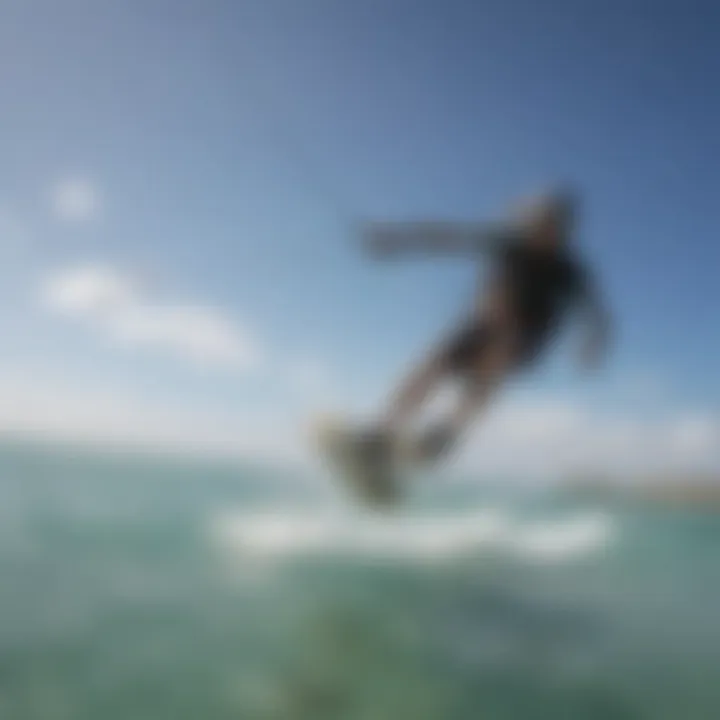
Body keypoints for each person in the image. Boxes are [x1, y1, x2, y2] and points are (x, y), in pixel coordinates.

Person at [357, 189, 612, 469]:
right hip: (481, 325)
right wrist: (395, 240)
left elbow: (596, 313)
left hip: (524, 338)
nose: (543, 233)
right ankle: (380, 433)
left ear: (562, 232)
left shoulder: (568, 271)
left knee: (499, 354)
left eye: (552, 227)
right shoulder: (510, 243)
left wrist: (593, 343)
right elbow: (446, 238)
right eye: (538, 223)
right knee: (432, 365)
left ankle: (445, 434)